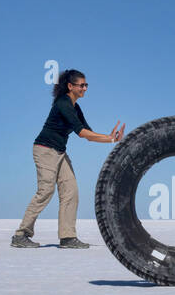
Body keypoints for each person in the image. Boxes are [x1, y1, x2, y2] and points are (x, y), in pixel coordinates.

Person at [12, 69, 124, 248]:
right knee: (46, 191)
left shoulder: (75, 107)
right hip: (45, 150)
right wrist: (109, 138)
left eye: (86, 85)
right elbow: (81, 133)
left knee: (71, 191)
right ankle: (21, 235)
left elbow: (88, 134)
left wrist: (110, 138)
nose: (85, 88)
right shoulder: (63, 103)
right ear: (70, 86)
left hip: (59, 152)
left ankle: (67, 237)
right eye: (82, 85)